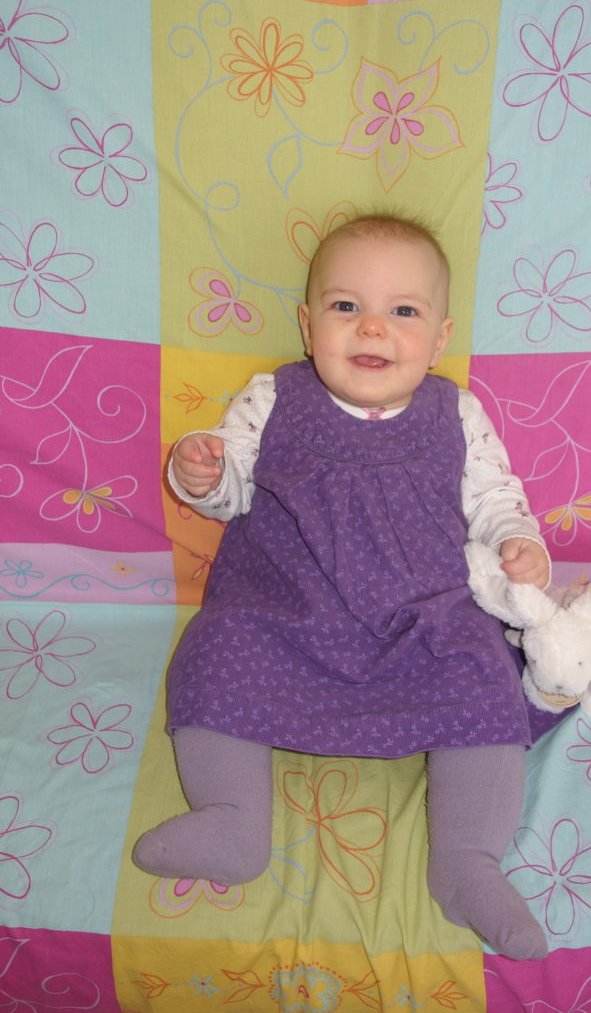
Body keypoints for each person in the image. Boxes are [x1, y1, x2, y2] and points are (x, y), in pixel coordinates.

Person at [134, 214, 553, 961]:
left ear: (440, 337)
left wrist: (520, 545)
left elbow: (496, 499)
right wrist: (202, 472)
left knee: (486, 669)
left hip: (422, 621)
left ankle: (467, 859)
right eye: (345, 305)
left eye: (403, 311)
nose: (372, 328)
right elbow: (229, 488)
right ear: (307, 324)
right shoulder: (273, 398)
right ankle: (233, 819)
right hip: (284, 611)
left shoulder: (456, 412)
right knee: (215, 644)